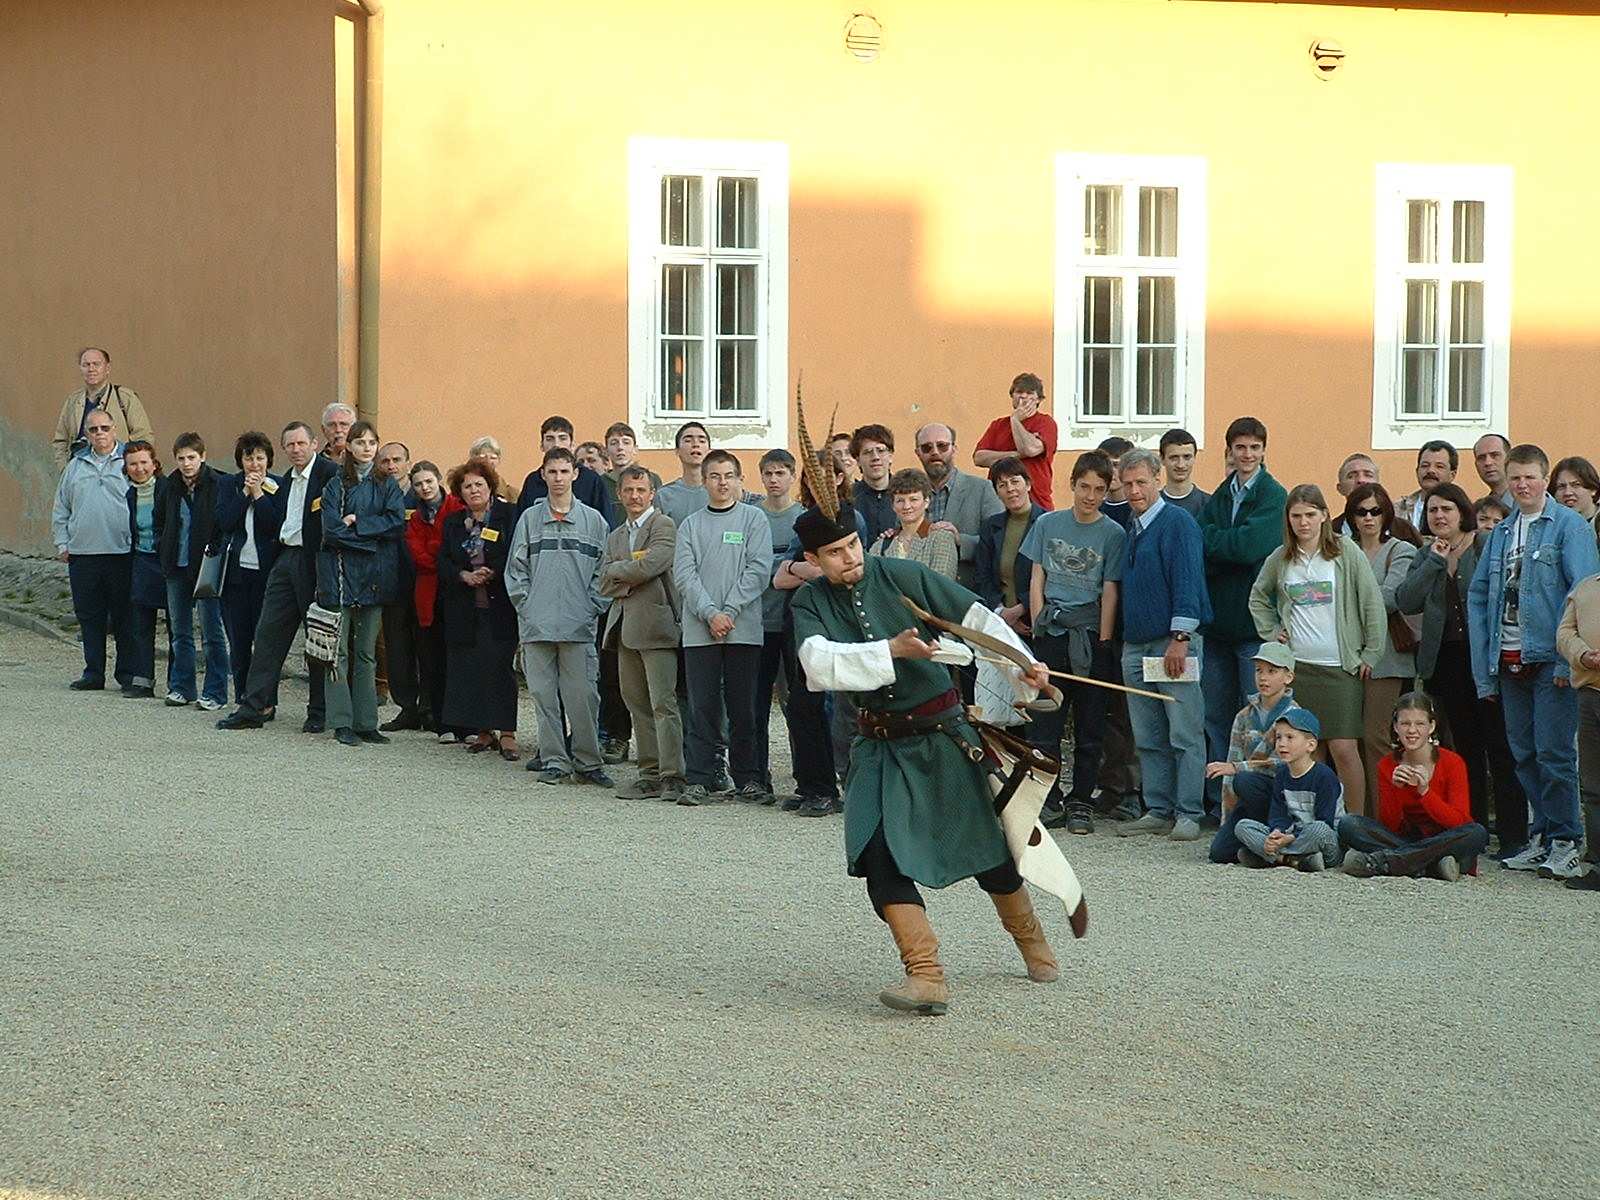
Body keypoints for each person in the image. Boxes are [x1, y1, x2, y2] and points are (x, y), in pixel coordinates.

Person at [789, 490, 1062, 1016]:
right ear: (812, 562)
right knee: (876, 852)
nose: (850, 559)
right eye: (835, 553)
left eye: (852, 546)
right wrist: (891, 649)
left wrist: (1023, 666)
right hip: (876, 743)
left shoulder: (899, 574)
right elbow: (816, 663)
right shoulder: (810, 601)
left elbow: (977, 620)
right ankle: (926, 975)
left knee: (986, 850)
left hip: (943, 735)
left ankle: (1030, 939)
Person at [1467, 443, 1600, 878]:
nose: (1523, 485)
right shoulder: (1501, 533)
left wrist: (1569, 661)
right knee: (1522, 754)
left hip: (1550, 659)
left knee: (1555, 754)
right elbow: (1480, 597)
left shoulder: (1568, 527)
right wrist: (1484, 671)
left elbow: (1584, 595)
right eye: (1516, 477)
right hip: (1507, 660)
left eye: (1531, 477)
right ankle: (1540, 836)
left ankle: (1567, 839)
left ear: (1545, 479)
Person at [1396, 482, 1527, 854]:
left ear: (1462, 512)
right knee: (1464, 748)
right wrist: (1435, 561)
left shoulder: (1485, 544)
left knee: (1499, 746)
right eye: (1434, 510)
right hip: (1446, 661)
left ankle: (1514, 834)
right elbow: (1406, 600)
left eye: (1447, 509)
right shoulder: (1427, 554)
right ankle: (1472, 830)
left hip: (1484, 657)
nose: (1440, 516)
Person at [1248, 483, 1385, 815]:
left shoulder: (1345, 552)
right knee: (1308, 750)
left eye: (1310, 515)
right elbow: (1258, 597)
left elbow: (1371, 602)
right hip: (1298, 668)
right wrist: (1272, 632)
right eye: (1296, 516)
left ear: (1325, 516)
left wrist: (1371, 652)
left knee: (1343, 747)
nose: (1303, 522)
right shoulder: (1281, 558)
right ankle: (1313, 821)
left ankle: (1354, 821)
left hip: (1339, 666)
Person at [1022, 450, 1125, 833]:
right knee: (1046, 722)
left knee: (1090, 724)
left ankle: (1081, 799)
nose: (1090, 496)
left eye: (1099, 489)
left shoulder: (1113, 533)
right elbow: (1037, 578)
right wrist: (1038, 628)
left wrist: (1104, 638)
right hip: (1052, 632)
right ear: (1072, 485)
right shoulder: (1049, 524)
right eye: (1084, 487)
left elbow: (1111, 589)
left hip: (1089, 635)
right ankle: (1046, 799)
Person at [216, 422, 339, 732]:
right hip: (284, 559)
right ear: (284, 449)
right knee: (268, 633)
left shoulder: (329, 474)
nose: (296, 449)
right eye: (290, 445)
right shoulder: (285, 481)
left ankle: (319, 711)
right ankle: (254, 705)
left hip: (314, 562)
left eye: (301, 443)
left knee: (317, 638)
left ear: (314, 443)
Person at [1113, 448, 1210, 841]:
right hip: (1135, 644)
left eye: (1141, 482)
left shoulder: (1177, 523)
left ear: (1157, 480)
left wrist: (1180, 638)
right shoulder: (1132, 526)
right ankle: (1158, 806)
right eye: (1128, 484)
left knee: (1184, 730)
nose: (1134, 491)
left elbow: (1189, 580)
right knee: (1148, 732)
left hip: (1173, 643)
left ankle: (1189, 810)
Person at [1196, 417, 1288, 815]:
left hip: (1252, 629)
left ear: (1264, 450)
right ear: (1229, 451)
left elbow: (1252, 548)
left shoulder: (1273, 495)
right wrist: (1225, 549)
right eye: (1240, 448)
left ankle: (1254, 799)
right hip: (1217, 626)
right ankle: (1220, 802)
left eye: (1254, 447)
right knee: (1216, 716)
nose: (1247, 455)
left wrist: (1223, 548)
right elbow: (1202, 540)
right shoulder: (1221, 494)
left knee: (1256, 716)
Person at [504, 446, 611, 782]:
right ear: (543, 475)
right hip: (538, 626)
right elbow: (515, 570)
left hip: (579, 626)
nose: (559, 478)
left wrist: (593, 607)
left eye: (565, 471)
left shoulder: (594, 521)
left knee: (583, 697)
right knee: (544, 697)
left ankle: (588, 762)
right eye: (552, 472)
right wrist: (528, 608)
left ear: (575, 474)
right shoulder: (530, 519)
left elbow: (605, 573)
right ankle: (554, 761)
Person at [673, 450, 773, 805]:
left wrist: (729, 610)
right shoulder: (690, 525)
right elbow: (685, 575)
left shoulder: (753, 520)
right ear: (704, 481)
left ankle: (748, 778)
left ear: (739, 479)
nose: (722, 482)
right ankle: (699, 777)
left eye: (728, 475)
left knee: (743, 706)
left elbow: (759, 569)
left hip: (742, 629)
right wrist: (710, 613)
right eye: (714, 476)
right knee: (702, 707)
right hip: (701, 632)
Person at [317, 421, 406, 747]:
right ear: (349, 447)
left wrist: (359, 524)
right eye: (360, 442)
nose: (367, 448)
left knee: (367, 652)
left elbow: (396, 523)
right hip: (340, 574)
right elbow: (330, 531)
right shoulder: (335, 485)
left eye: (372, 442)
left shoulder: (388, 484)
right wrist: (370, 539)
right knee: (337, 652)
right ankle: (341, 721)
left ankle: (367, 722)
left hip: (375, 578)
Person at [600, 465, 685, 800]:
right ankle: (648, 773)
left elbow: (653, 565)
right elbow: (604, 581)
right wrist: (627, 573)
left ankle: (673, 774)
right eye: (628, 491)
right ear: (620, 495)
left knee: (664, 703)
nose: (635, 496)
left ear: (652, 493)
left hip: (657, 626)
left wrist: (622, 572)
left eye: (641, 490)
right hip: (622, 628)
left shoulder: (663, 525)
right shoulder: (616, 535)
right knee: (636, 703)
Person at [1339, 692, 1487, 880]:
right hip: (1405, 840)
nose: (1412, 730)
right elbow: (1389, 825)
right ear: (1396, 727)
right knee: (1349, 823)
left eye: (1420, 724)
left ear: (1431, 727)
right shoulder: (1387, 764)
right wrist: (1396, 788)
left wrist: (1425, 792)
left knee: (1476, 833)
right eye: (1405, 724)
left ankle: (1386, 862)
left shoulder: (1452, 762)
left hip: (1444, 839)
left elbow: (1459, 822)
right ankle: (1429, 866)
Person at [1342, 483, 1420, 806]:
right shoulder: (1342, 549)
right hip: (1347, 654)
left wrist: (1349, 602)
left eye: (1375, 510)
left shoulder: (1401, 550)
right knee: (1348, 741)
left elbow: (1389, 598)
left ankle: (1386, 813)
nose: (1369, 517)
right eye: (1361, 511)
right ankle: (1359, 816)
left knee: (1377, 738)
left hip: (1386, 656)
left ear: (1386, 513)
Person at [437, 460, 521, 756]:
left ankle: (507, 732)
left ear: (490, 487)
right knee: (472, 667)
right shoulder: (454, 522)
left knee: (500, 667)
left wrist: (492, 571)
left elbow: (515, 550)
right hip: (466, 606)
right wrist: (464, 575)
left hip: (499, 604)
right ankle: (484, 731)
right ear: (460, 492)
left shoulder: (508, 515)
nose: (474, 490)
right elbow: (444, 560)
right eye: (467, 486)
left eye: (479, 485)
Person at [51, 410, 134, 690]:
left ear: (115, 430)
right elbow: (61, 506)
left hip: (121, 552)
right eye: (94, 429)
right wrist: (62, 542)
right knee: (89, 617)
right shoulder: (76, 465)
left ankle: (126, 674)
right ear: (86, 434)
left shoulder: (129, 461)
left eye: (104, 428)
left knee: (124, 616)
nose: (99, 433)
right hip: (83, 554)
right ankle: (93, 673)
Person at [1204, 642, 1297, 864]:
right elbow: (1230, 767)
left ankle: (1272, 841)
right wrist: (1227, 821)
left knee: (1245, 780)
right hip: (1249, 796)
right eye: (1259, 671)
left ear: (1288, 677)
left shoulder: (1294, 715)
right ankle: (1261, 847)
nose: (1263, 678)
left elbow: (1283, 763)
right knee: (1219, 853)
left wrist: (1237, 768)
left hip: (1282, 795)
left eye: (1272, 671)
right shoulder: (1243, 716)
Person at [156, 432, 229, 709]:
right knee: (180, 632)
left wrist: (216, 550)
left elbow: (224, 523)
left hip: (206, 566)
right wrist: (164, 547)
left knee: (211, 633)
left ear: (203, 456)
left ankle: (215, 692)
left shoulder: (218, 483)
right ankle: (181, 687)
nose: (186, 464)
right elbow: (160, 521)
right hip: (176, 566)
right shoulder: (169, 486)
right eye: (181, 458)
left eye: (191, 458)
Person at [213, 432, 283, 710]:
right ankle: (243, 697)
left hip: (267, 575)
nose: (254, 464)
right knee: (239, 643)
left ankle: (267, 700)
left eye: (259, 458)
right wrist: (244, 493)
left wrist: (259, 494)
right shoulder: (228, 484)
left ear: (268, 460)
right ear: (240, 461)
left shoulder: (279, 485)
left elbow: (274, 526)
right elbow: (225, 521)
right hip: (237, 575)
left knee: (266, 643)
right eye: (248, 458)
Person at [1233, 707, 1344, 871]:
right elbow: (1278, 812)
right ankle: (1290, 860)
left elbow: (1325, 821)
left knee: (1318, 830)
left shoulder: (1324, 776)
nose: (1282, 743)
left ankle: (1273, 857)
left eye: (1290, 737)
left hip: (1322, 840)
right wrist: (1277, 833)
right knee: (1242, 826)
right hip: (1291, 836)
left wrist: (1290, 838)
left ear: (1311, 745)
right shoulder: (1283, 773)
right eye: (1278, 738)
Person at [754, 449, 804, 801]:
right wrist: (782, 568)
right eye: (769, 473)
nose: (774, 479)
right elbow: (746, 566)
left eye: (781, 473)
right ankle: (757, 774)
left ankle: (805, 772)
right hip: (755, 622)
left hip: (793, 623)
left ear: (792, 475)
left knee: (796, 702)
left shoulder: (802, 518)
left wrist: (776, 570)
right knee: (754, 702)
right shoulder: (750, 516)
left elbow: (805, 568)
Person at [402, 461, 462, 738]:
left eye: (428, 481)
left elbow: (456, 549)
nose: (424, 488)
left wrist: (438, 552)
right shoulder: (415, 518)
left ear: (438, 480)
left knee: (457, 659)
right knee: (431, 659)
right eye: (418, 484)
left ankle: (463, 722)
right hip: (427, 594)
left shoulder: (456, 508)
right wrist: (440, 555)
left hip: (455, 593)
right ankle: (440, 723)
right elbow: (418, 554)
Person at [913, 422, 1003, 590]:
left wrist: (959, 541)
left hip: (967, 593)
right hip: (920, 594)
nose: (935, 452)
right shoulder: (909, 495)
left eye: (942, 446)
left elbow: (998, 542)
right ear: (918, 453)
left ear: (954, 449)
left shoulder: (983, 489)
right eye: (926, 448)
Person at [1556, 566, 1600, 890]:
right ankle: (1597, 865)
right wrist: (1583, 655)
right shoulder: (1585, 588)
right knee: (1593, 786)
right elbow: (1564, 633)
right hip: (1590, 694)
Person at [374, 441, 423, 731]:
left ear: (408, 462)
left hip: (423, 580)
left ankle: (430, 708)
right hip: (391, 580)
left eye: (397, 460)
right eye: (386, 461)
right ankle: (406, 707)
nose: (391, 466)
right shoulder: (377, 494)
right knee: (397, 647)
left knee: (425, 647)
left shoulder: (422, 494)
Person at [51, 346, 152, 473]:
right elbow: (61, 441)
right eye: (86, 365)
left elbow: (144, 438)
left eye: (96, 364)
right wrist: (66, 469)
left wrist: (133, 470)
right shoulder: (72, 401)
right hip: (80, 474)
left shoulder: (125, 398)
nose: (91, 369)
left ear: (107, 368)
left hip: (118, 472)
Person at [975, 457, 1044, 638]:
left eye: (1015, 481)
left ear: (1028, 484)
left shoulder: (1048, 523)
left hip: (1036, 621)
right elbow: (983, 576)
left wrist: (1020, 611)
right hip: (1000, 623)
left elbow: (1052, 578)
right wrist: (1002, 613)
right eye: (1002, 485)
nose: (1010, 489)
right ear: (997, 492)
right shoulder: (991, 527)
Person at [972, 372, 1057, 510]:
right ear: (1012, 396)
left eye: (1029, 393)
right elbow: (979, 458)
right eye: (1019, 392)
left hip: (1037, 502)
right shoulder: (998, 425)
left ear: (1038, 399)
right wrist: (1017, 455)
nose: (1023, 396)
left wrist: (1016, 420)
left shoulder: (1046, 423)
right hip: (999, 504)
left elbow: (1030, 449)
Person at [121, 440, 166, 699]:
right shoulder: (131, 494)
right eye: (133, 464)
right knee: (140, 623)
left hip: (167, 563)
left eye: (144, 463)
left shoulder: (167, 489)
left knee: (175, 626)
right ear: (126, 469)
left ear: (154, 464)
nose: (139, 469)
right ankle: (143, 681)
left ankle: (178, 683)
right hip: (142, 559)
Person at [516, 416, 616, 528]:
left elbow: (606, 524)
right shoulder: (533, 481)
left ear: (572, 445)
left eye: (562, 438)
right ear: (541, 446)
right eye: (550, 439)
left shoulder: (591, 480)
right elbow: (521, 524)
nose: (556, 444)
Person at [870, 468, 960, 579]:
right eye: (900, 501)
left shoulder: (941, 538)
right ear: (893, 505)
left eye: (913, 499)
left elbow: (942, 586)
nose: (907, 506)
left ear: (926, 501)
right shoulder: (880, 546)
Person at [655, 421, 712, 525]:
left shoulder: (720, 491)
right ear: (677, 451)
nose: (696, 444)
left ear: (709, 450)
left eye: (702, 440)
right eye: (688, 440)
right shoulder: (663, 495)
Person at [850, 424, 897, 544]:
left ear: (890, 456)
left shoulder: (907, 494)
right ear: (858, 460)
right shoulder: (847, 498)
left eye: (881, 450)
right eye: (867, 452)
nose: (875, 457)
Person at [1396, 441, 1458, 529]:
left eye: (1439, 466)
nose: (1430, 471)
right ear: (1417, 471)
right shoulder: (1398, 510)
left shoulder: (1463, 511)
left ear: (1452, 474)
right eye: (1425, 466)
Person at [600, 422, 662, 507]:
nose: (620, 447)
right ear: (606, 450)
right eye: (614, 443)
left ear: (635, 449)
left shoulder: (652, 479)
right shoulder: (600, 482)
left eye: (626, 443)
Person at [1551, 455, 1600, 550]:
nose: (1568, 492)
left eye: (1576, 485)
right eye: (1561, 486)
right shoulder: (1551, 529)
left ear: (1593, 489)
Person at [1158, 428, 1208, 518]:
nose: (1181, 465)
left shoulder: (1209, 505)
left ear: (1194, 458)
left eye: (1187, 457)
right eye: (1174, 457)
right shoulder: (1152, 505)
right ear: (1162, 459)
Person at [1096, 437, 1135, 529]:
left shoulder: (1139, 510)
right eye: (1105, 465)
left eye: (1116, 465)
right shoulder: (1093, 508)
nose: (1110, 471)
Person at [468, 435, 520, 503]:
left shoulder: (512, 494)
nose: (488, 461)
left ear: (498, 460)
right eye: (482, 457)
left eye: (493, 458)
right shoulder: (462, 491)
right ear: (472, 459)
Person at [1472, 433, 1513, 510]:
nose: (1488, 462)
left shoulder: (1532, 503)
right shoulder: (1479, 511)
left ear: (1509, 459)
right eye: (1481, 458)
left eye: (1495, 455)